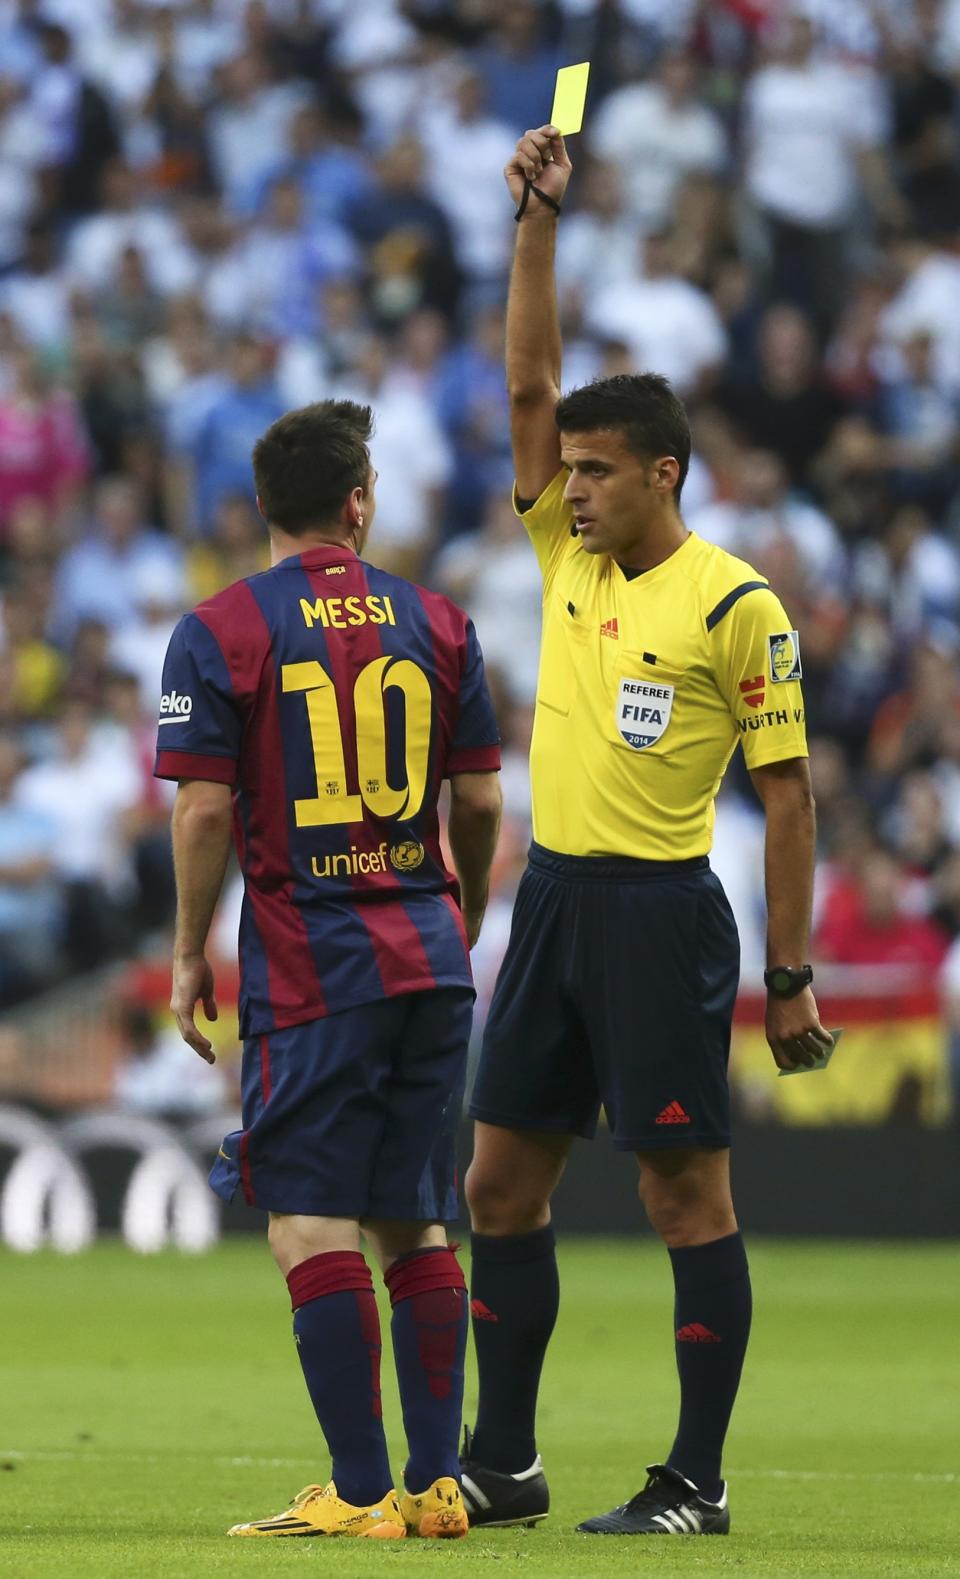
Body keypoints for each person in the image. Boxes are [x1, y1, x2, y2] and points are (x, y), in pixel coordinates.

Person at [459, 127, 832, 1538]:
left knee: (685, 1193)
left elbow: (789, 795)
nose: (570, 489)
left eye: (598, 472)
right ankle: (506, 1457)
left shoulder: (737, 606)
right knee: (497, 1178)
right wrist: (535, 224)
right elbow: (527, 382)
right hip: (550, 902)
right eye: (565, 472)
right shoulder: (564, 544)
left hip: (662, 914)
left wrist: (789, 972)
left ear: (664, 474)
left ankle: (697, 1476)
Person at [154, 399, 502, 1540]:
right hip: (429, 958)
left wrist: (185, 951)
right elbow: (485, 795)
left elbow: (205, 806)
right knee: (416, 1217)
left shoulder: (221, 628)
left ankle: (360, 1494)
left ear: (263, 507)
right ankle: (439, 1481)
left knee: (308, 1221)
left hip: (314, 965)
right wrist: (462, 910)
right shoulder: (441, 620)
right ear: (360, 501)